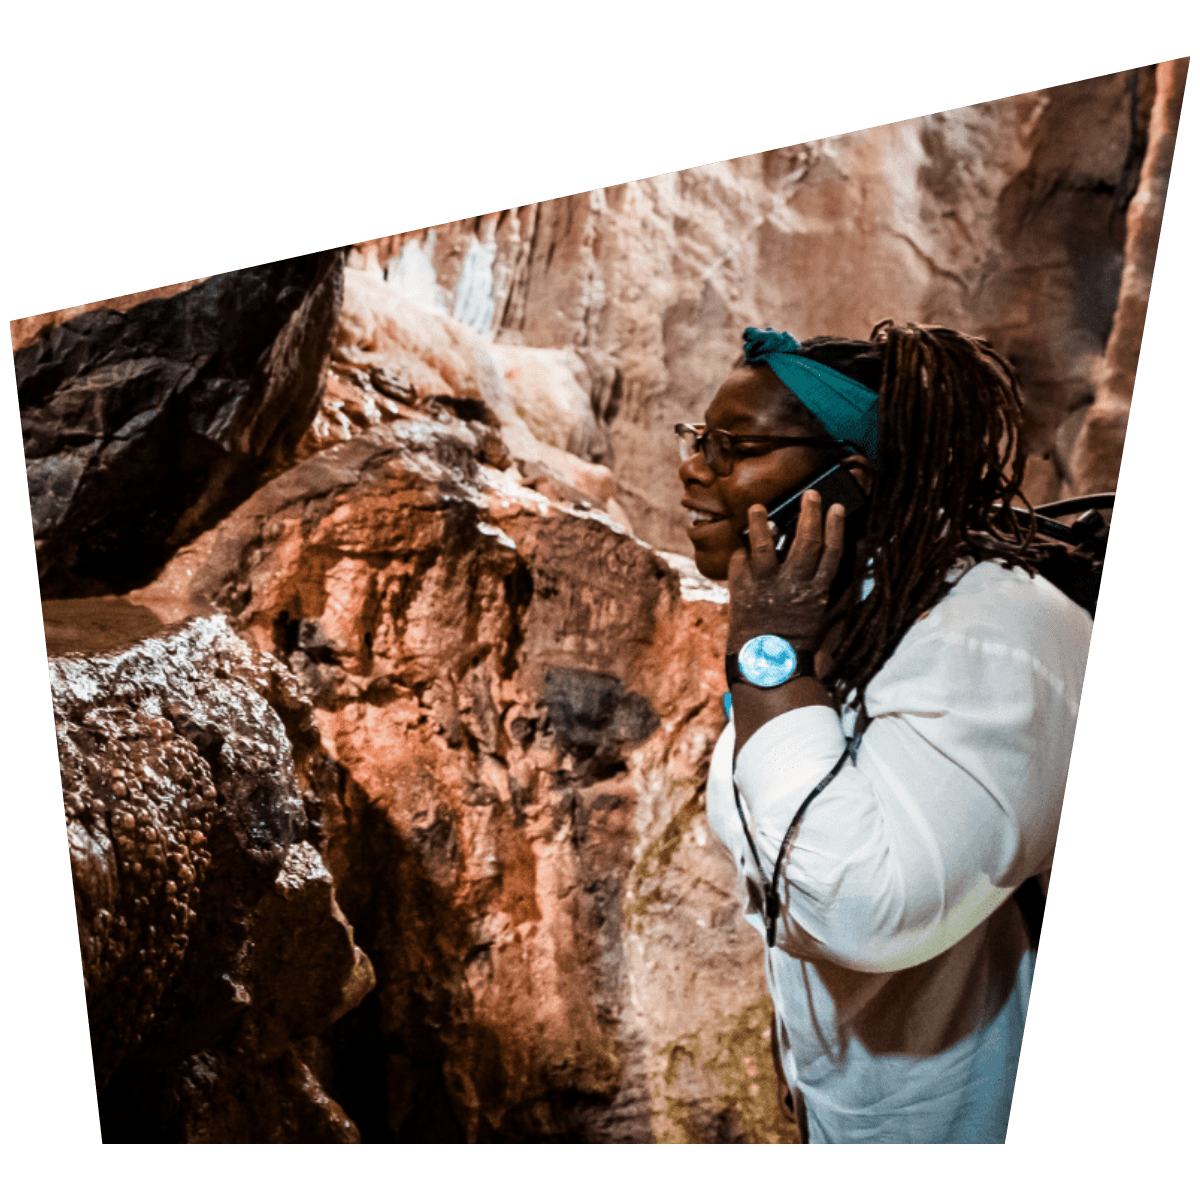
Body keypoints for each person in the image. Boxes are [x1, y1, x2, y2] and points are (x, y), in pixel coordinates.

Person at [677, 323, 1091, 1144]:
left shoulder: (990, 640)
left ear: (851, 479)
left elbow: (867, 914)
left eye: (736, 447)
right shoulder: (851, 608)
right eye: (699, 438)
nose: (695, 468)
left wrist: (769, 664)